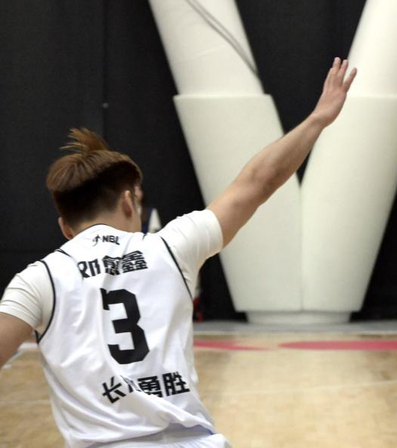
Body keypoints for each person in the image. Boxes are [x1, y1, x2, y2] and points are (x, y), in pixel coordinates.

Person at [0, 57, 356, 448]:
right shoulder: (171, 247)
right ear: (129, 202)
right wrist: (318, 119)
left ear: (65, 227)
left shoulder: (38, 280)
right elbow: (257, 182)